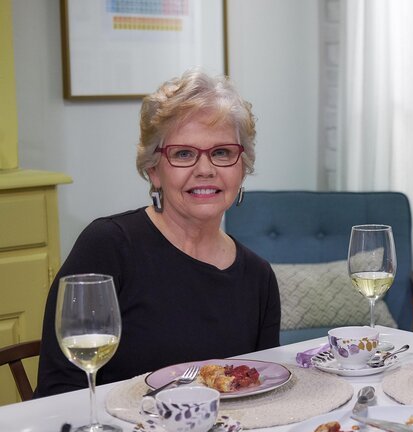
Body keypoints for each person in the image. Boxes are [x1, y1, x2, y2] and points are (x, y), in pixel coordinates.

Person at [35, 69, 281, 397]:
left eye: (222, 152)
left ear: (242, 167)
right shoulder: (108, 247)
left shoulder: (258, 278)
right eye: (183, 154)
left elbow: (264, 394)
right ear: (154, 170)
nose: (205, 169)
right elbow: (60, 388)